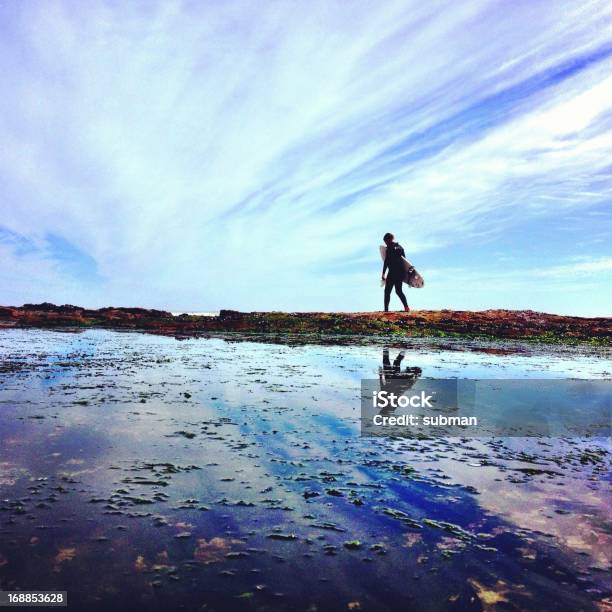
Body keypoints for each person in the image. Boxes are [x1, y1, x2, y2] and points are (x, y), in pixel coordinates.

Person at [381, 232, 410, 312]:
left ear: (389, 239)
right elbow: (405, 261)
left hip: (393, 273)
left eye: (386, 241)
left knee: (387, 291)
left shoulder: (390, 248)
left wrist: (383, 273)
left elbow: (386, 262)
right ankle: (406, 307)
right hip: (400, 272)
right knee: (398, 291)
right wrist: (405, 273)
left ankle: (386, 310)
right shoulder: (400, 247)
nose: (385, 243)